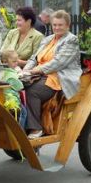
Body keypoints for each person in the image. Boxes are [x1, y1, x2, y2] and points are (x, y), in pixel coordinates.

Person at [22, 10, 81, 139]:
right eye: (54, 25)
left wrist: (34, 71)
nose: (57, 28)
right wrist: (24, 71)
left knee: (32, 91)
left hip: (58, 78)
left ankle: (36, 129)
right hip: (40, 75)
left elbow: (58, 63)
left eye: (60, 25)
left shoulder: (71, 40)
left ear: (67, 26)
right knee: (18, 87)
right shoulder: (48, 39)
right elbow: (33, 58)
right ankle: (21, 126)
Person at [0, 48, 27, 127]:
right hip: (12, 101)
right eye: (14, 62)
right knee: (23, 113)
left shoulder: (0, 71)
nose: (16, 64)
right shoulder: (11, 75)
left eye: (17, 61)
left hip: (3, 100)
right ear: (5, 62)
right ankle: (20, 133)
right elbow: (20, 87)